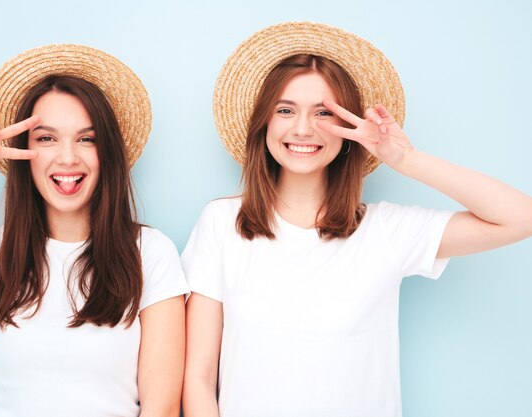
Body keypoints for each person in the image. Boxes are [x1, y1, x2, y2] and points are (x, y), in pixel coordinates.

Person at [181, 22, 532, 417]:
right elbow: (198, 376)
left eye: (323, 114)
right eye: (285, 110)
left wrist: (406, 159)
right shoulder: (222, 222)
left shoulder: (387, 231)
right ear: (264, 122)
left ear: (349, 130)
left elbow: (520, 218)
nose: (301, 129)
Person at [0, 44, 188, 417]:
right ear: (23, 152)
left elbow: (163, 409)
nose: (67, 157)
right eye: (47, 138)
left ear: (108, 155)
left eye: (87, 139)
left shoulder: (148, 252)